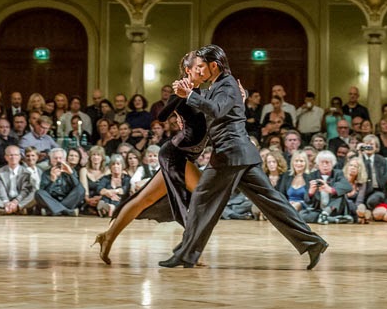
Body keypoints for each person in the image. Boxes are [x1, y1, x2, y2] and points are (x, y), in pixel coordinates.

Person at [160, 45, 327, 269]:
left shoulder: (227, 84)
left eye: (203, 66)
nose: (200, 71)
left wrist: (190, 95)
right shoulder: (219, 85)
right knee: (272, 202)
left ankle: (187, 254)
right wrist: (184, 101)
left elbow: (217, 110)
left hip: (230, 154)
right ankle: (312, 243)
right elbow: (212, 113)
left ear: (213, 65)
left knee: (201, 200)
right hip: (240, 155)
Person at [93, 53, 209, 264]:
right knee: (203, 196)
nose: (203, 70)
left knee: (144, 199)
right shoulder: (185, 92)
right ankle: (189, 250)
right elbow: (163, 116)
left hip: (183, 155)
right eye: (198, 67)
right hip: (177, 155)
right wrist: (179, 96)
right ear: (188, 70)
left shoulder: (202, 94)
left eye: (204, 66)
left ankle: (107, 236)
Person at [300, 150, 352, 224]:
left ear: (332, 164)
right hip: (319, 209)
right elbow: (307, 201)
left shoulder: (338, 173)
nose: (325, 165)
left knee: (339, 193)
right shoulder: (312, 176)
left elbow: (348, 187)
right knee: (302, 215)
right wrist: (311, 192)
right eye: (322, 162)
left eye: (327, 162)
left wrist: (330, 189)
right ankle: (333, 219)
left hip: (334, 209)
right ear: (318, 164)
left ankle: (326, 214)